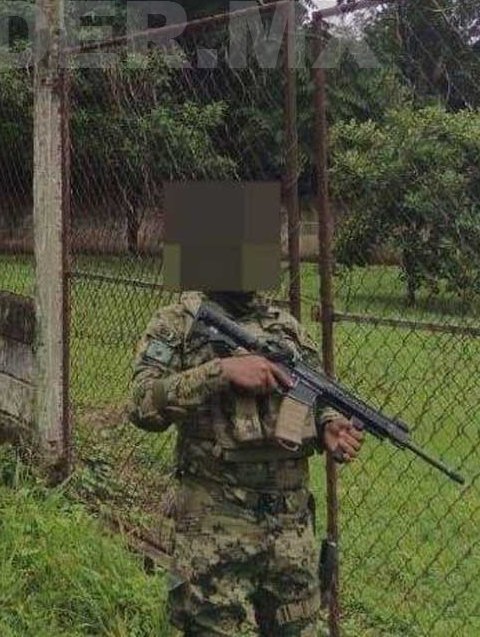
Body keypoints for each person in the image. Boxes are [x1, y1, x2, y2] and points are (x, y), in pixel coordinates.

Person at [130, 183, 363, 636]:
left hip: (290, 527)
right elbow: (141, 405)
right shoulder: (177, 324)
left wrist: (329, 425)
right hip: (214, 525)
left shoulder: (287, 329)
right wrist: (220, 372)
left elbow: (315, 398)